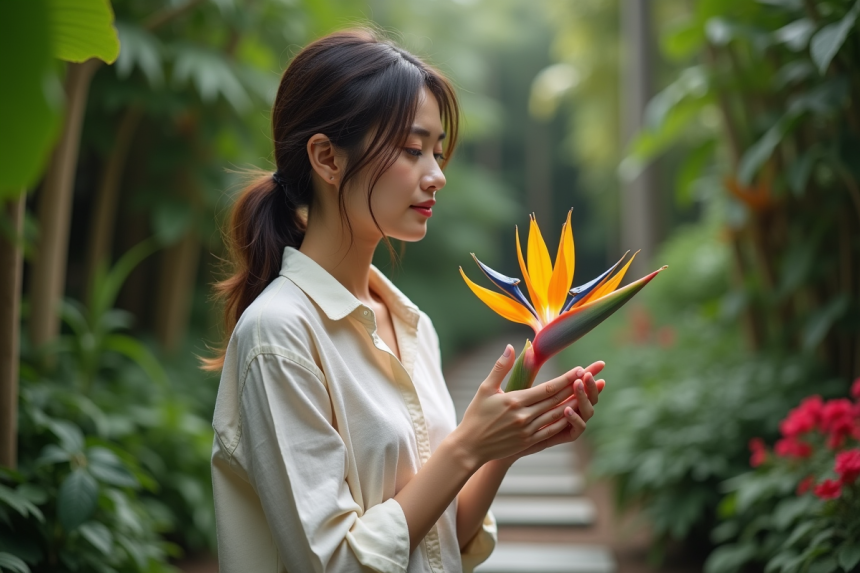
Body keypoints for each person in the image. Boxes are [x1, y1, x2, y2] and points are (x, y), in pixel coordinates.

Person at [204, 29, 604, 573]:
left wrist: (501, 444)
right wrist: (465, 445)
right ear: (326, 158)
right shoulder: (279, 336)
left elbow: (440, 538)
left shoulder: (412, 324)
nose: (436, 175)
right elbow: (334, 563)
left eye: (437, 153)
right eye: (413, 150)